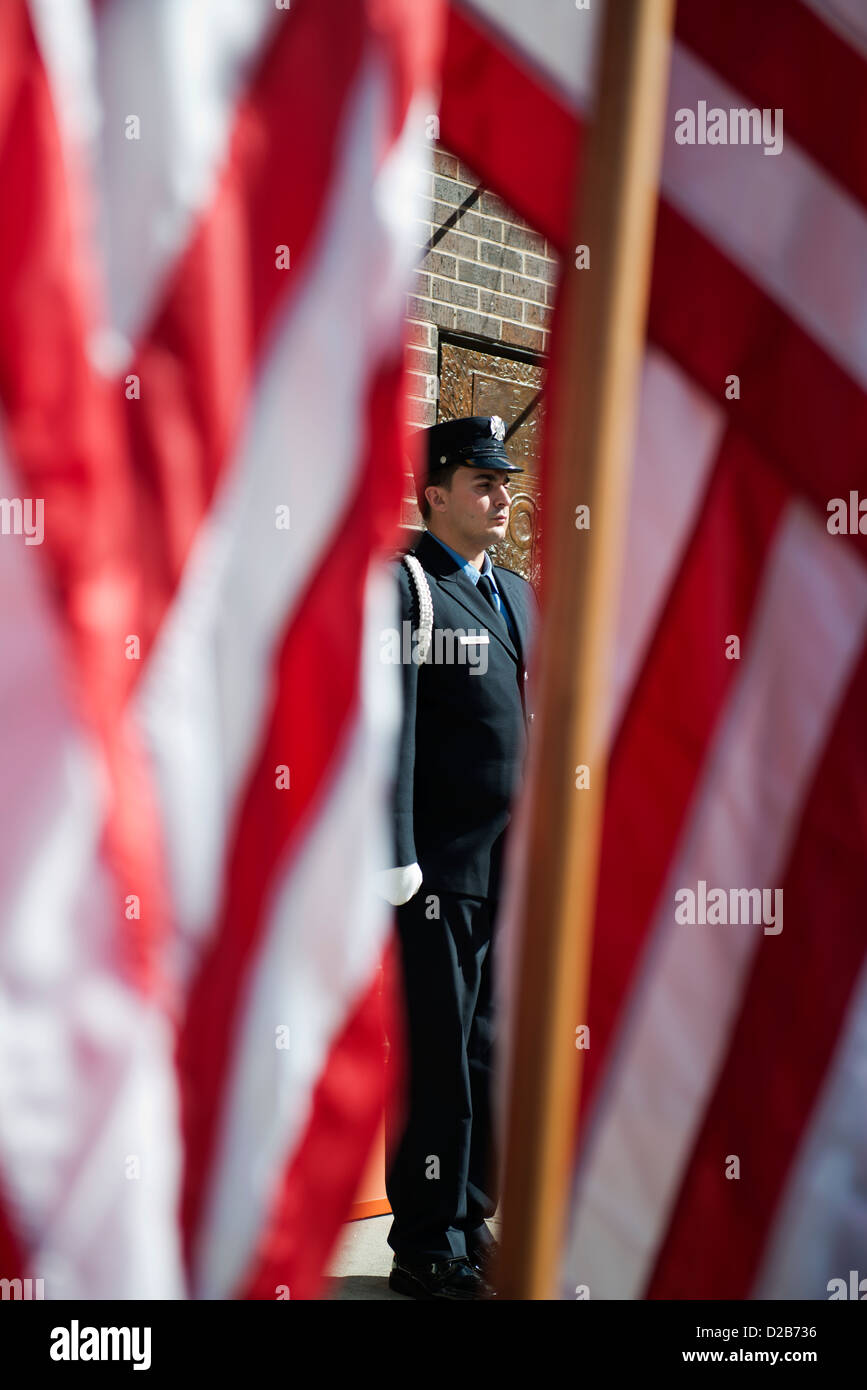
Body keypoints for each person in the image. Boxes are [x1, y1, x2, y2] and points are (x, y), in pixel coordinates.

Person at [380, 415, 537, 1300]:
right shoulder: (407, 584)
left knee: (487, 1050)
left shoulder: (515, 589)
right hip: (436, 870)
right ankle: (424, 1245)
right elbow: (391, 725)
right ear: (434, 491)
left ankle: (471, 1218)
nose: (502, 495)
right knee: (437, 1053)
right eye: (482, 482)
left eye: (505, 481)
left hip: (507, 864)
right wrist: (394, 852)